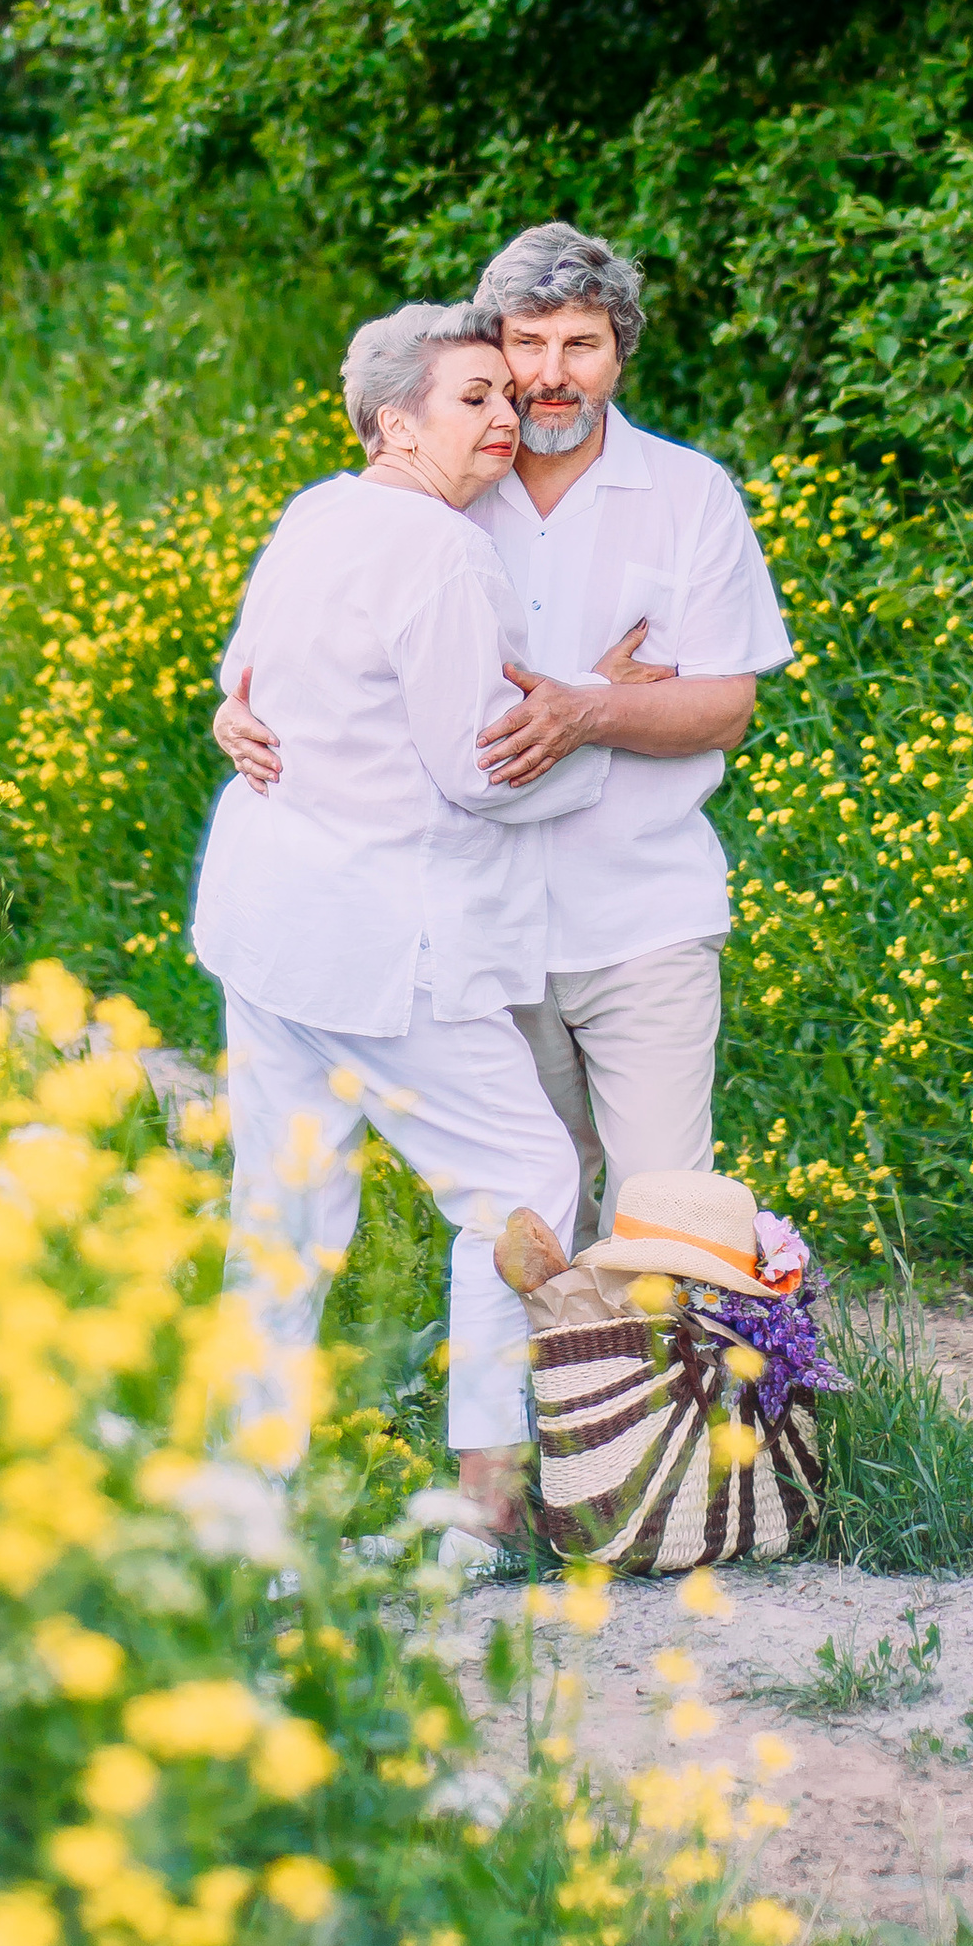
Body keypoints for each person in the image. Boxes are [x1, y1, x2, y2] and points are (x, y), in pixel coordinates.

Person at [215, 223, 791, 1250]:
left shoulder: (689, 497)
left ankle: (652, 1411)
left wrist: (588, 711)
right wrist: (243, 708)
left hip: (639, 913)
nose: (549, 376)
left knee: (662, 1214)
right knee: (528, 1214)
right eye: (527, 345)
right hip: (481, 926)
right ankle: (539, 1410)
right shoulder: (451, 477)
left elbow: (725, 705)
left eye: (582, 345)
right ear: (496, 347)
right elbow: (320, 630)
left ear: (621, 352)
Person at [192, 302, 593, 1537]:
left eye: (502, 396)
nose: (502, 416)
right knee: (522, 1181)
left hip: (269, 919)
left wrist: (232, 712)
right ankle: (489, 1496)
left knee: (285, 1216)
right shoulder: (439, 551)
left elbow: (245, 674)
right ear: (390, 422)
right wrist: (587, 736)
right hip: (380, 940)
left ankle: (237, 1507)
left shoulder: (319, 512)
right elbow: (477, 769)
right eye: (469, 398)